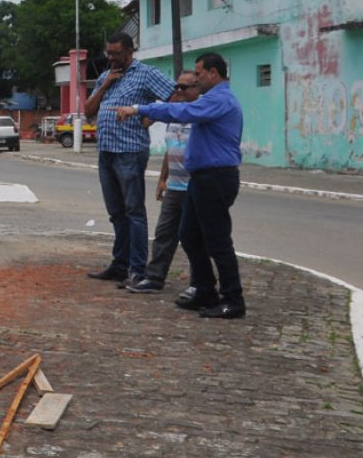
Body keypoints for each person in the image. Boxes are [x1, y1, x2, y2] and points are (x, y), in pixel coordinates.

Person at [117, 52, 246, 319]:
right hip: (201, 178)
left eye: (199, 74)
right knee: (189, 235)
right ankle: (205, 290)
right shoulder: (212, 99)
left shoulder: (220, 99)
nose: (196, 79)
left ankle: (233, 299)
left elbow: (183, 111)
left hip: (216, 177)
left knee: (218, 241)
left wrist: (140, 108)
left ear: (213, 73)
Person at [83, 32, 176, 288]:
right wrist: (105, 85)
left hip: (130, 152)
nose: (112, 58)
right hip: (106, 152)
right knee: (116, 212)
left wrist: (151, 115)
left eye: (116, 54)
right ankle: (119, 264)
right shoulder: (105, 76)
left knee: (134, 211)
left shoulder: (145, 73)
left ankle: (137, 269)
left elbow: (173, 97)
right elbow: (88, 112)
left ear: (130, 52)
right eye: (109, 53)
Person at [126, 72, 199, 294]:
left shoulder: (200, 114)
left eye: (184, 88)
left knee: (194, 238)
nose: (178, 92)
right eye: (176, 87)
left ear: (197, 89)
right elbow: (171, 149)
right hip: (175, 185)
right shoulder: (175, 116)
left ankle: (199, 283)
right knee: (164, 234)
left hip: (195, 185)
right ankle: (155, 277)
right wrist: (162, 178)